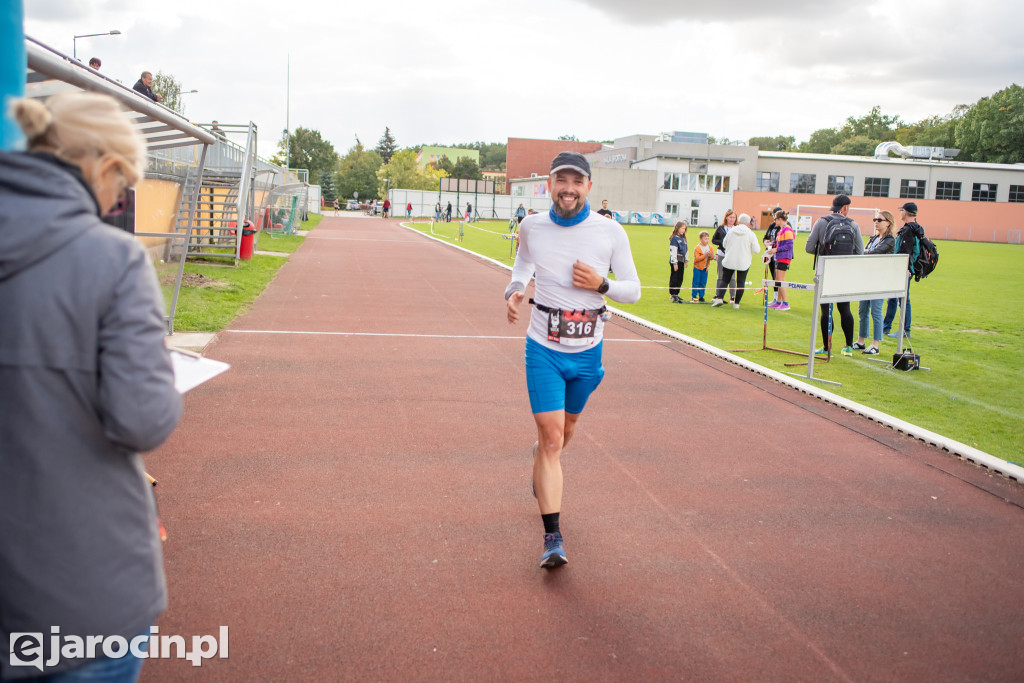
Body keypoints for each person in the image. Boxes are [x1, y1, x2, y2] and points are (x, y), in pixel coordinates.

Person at [0, 93, 182, 681]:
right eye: (122, 185)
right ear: (102, 167)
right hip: (78, 590)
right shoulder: (113, 260)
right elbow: (143, 418)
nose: (118, 201)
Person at [504, 152, 641, 569]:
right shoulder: (532, 226)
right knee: (551, 440)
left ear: (588, 187)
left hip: (587, 354)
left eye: (576, 181)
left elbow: (633, 290)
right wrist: (514, 287)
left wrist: (602, 284)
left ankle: (544, 457)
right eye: (561, 180)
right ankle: (552, 538)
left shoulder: (610, 232)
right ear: (549, 183)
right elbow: (525, 259)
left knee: (563, 434)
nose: (568, 188)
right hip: (542, 347)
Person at [805, 194, 864, 356]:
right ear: (845, 208)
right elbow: (860, 252)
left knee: (826, 310)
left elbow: (809, 248)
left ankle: (826, 346)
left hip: (825, 270)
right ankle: (848, 347)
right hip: (844, 272)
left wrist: (823, 250)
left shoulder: (821, 221)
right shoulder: (853, 225)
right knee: (845, 308)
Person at [855, 210, 897, 354]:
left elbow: (873, 253)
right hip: (866, 278)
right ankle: (861, 341)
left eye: (879, 220)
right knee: (862, 310)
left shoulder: (890, 240)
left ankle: (876, 344)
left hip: (879, 280)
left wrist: (862, 253)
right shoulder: (873, 238)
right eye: (875, 220)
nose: (876, 222)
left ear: (888, 223)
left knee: (876, 311)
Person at [884, 202, 925, 339]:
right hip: (909, 267)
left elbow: (905, 252)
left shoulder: (908, 229)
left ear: (906, 212)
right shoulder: (917, 228)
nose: (900, 213)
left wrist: (899, 268)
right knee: (894, 299)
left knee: (903, 299)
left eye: (902, 211)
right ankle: (886, 326)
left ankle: (904, 330)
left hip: (903, 269)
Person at [711, 213, 760, 308]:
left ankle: (720, 298)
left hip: (730, 259)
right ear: (748, 222)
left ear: (739, 221)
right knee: (741, 282)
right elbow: (756, 250)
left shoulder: (731, 231)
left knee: (725, 279)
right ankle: (736, 303)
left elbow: (724, 244)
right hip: (743, 261)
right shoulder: (751, 234)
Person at [766, 210, 795, 311]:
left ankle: (785, 303)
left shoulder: (787, 230)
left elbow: (789, 246)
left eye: (775, 220)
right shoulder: (782, 230)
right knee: (778, 280)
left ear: (779, 219)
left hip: (784, 257)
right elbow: (781, 244)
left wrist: (776, 249)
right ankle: (778, 301)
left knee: (781, 280)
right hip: (779, 257)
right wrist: (772, 245)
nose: (775, 222)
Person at [711, 210, 738, 303]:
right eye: (730, 217)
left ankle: (732, 296)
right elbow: (714, 240)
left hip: (732, 255)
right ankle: (718, 295)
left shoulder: (737, 229)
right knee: (720, 275)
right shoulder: (721, 228)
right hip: (721, 254)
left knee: (732, 276)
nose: (732, 219)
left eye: (734, 217)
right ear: (726, 217)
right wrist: (723, 242)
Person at [763, 207, 784, 304]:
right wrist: (766, 242)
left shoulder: (784, 227)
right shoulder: (772, 225)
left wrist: (775, 246)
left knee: (779, 278)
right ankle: (776, 298)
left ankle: (781, 300)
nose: (774, 219)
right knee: (773, 276)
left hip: (780, 255)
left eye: (775, 216)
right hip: (770, 253)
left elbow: (786, 243)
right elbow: (765, 237)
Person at [668, 220, 689, 303]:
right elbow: (673, 251)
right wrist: (674, 263)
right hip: (676, 261)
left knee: (680, 278)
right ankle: (672, 294)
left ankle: (676, 294)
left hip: (681, 261)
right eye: (682, 228)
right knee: (674, 278)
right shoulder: (674, 239)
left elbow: (686, 250)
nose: (683, 230)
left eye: (684, 229)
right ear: (677, 228)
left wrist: (686, 260)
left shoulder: (683, 238)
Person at [691, 230, 712, 303]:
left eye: (708, 238)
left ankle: (701, 296)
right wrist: (705, 255)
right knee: (696, 282)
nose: (707, 240)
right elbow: (697, 259)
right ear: (700, 239)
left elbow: (711, 257)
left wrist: (710, 256)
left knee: (703, 282)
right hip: (697, 268)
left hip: (705, 268)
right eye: (705, 238)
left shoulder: (710, 247)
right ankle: (694, 296)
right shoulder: (697, 248)